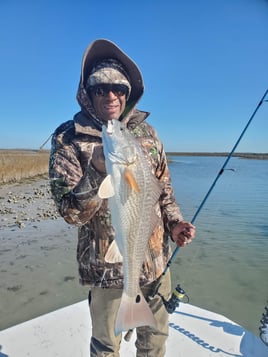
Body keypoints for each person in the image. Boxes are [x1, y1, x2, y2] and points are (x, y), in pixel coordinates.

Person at [49, 39, 195, 357]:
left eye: (119, 88)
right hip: (105, 269)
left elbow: (164, 192)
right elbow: (70, 213)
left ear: (128, 93)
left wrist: (175, 223)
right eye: (100, 88)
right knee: (105, 347)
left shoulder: (149, 135)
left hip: (156, 264)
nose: (111, 95)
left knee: (155, 342)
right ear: (87, 92)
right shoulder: (67, 137)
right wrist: (96, 172)